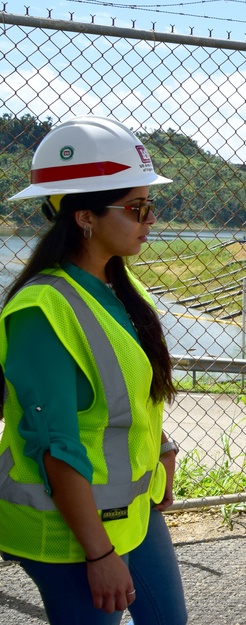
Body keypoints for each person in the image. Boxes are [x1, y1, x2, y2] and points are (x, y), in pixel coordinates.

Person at [0, 115, 187, 624]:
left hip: (132, 511)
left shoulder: (119, 288)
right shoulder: (42, 312)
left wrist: (161, 448)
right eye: (137, 208)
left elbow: (123, 396)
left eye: (152, 206)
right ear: (84, 216)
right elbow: (54, 444)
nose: (151, 221)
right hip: (71, 530)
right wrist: (100, 556)